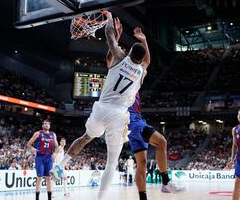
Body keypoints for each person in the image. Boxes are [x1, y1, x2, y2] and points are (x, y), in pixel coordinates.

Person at [50, 11, 147, 200]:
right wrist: (144, 41)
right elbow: (146, 59)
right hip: (118, 114)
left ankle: (59, 167)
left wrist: (109, 18)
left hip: (101, 108)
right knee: (111, 162)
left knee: (86, 137)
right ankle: (100, 198)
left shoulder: (119, 56)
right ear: (141, 59)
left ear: (129, 52)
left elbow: (109, 35)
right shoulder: (142, 72)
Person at [106, 17, 182, 200]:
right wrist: (143, 40)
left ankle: (143, 198)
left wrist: (117, 37)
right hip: (130, 118)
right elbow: (145, 61)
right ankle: (165, 180)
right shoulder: (134, 70)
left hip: (130, 120)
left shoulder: (128, 69)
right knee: (162, 142)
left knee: (142, 163)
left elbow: (117, 56)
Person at [27, 120, 59, 200]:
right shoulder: (38, 133)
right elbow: (28, 144)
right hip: (40, 157)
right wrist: (32, 148)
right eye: (45, 123)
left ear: (50, 126)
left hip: (49, 158)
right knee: (40, 177)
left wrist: (55, 153)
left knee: (48, 178)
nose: (46, 125)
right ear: (42, 125)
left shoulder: (53, 134)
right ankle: (37, 198)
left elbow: (57, 146)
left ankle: (49, 198)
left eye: (48, 124)